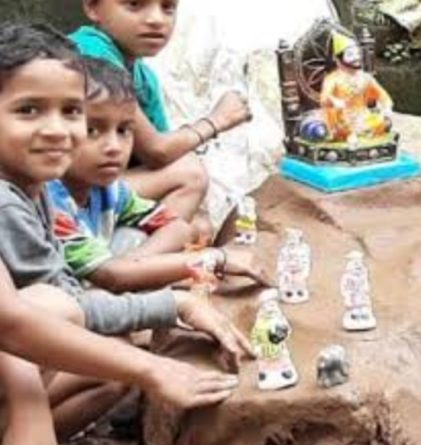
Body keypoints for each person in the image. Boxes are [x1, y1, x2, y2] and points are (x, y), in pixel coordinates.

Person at [0, 22, 252, 442]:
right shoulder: (6, 203)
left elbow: (70, 303)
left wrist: (174, 303)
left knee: (105, 362)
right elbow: (18, 323)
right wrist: (157, 361)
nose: (56, 129)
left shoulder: (34, 188)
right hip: (15, 346)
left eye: (71, 111)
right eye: (28, 110)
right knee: (47, 313)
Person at [47, 57, 268, 293]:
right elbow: (111, 276)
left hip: (102, 280)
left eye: (123, 131)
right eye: (91, 130)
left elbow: (178, 227)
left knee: (139, 241)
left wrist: (133, 267)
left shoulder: (109, 191)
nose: (114, 146)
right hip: (59, 306)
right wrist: (215, 258)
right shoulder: (49, 204)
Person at [71, 0, 253, 238]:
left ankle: (141, 248)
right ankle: (137, 256)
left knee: (200, 227)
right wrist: (216, 121)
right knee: (190, 175)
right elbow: (158, 152)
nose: (156, 20)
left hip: (107, 187)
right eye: (134, 4)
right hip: (67, 192)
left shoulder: (145, 77)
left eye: (168, 8)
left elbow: (166, 155)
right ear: (92, 7)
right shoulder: (88, 53)